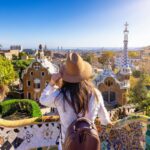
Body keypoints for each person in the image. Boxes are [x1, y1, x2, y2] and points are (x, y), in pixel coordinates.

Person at [39, 52, 112, 150]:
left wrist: (52, 83)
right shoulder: (95, 94)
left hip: (68, 145)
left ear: (65, 76)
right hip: (89, 145)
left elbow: (42, 100)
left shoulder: (60, 95)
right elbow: (105, 121)